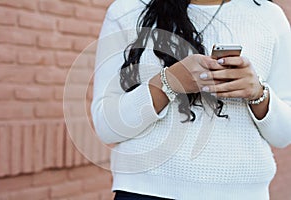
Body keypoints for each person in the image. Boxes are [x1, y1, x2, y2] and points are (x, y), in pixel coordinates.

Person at [91, 0, 291, 199]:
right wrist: (167, 83)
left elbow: (284, 135)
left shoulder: (269, 16)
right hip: (146, 192)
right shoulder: (127, 10)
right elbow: (106, 125)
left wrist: (257, 93)